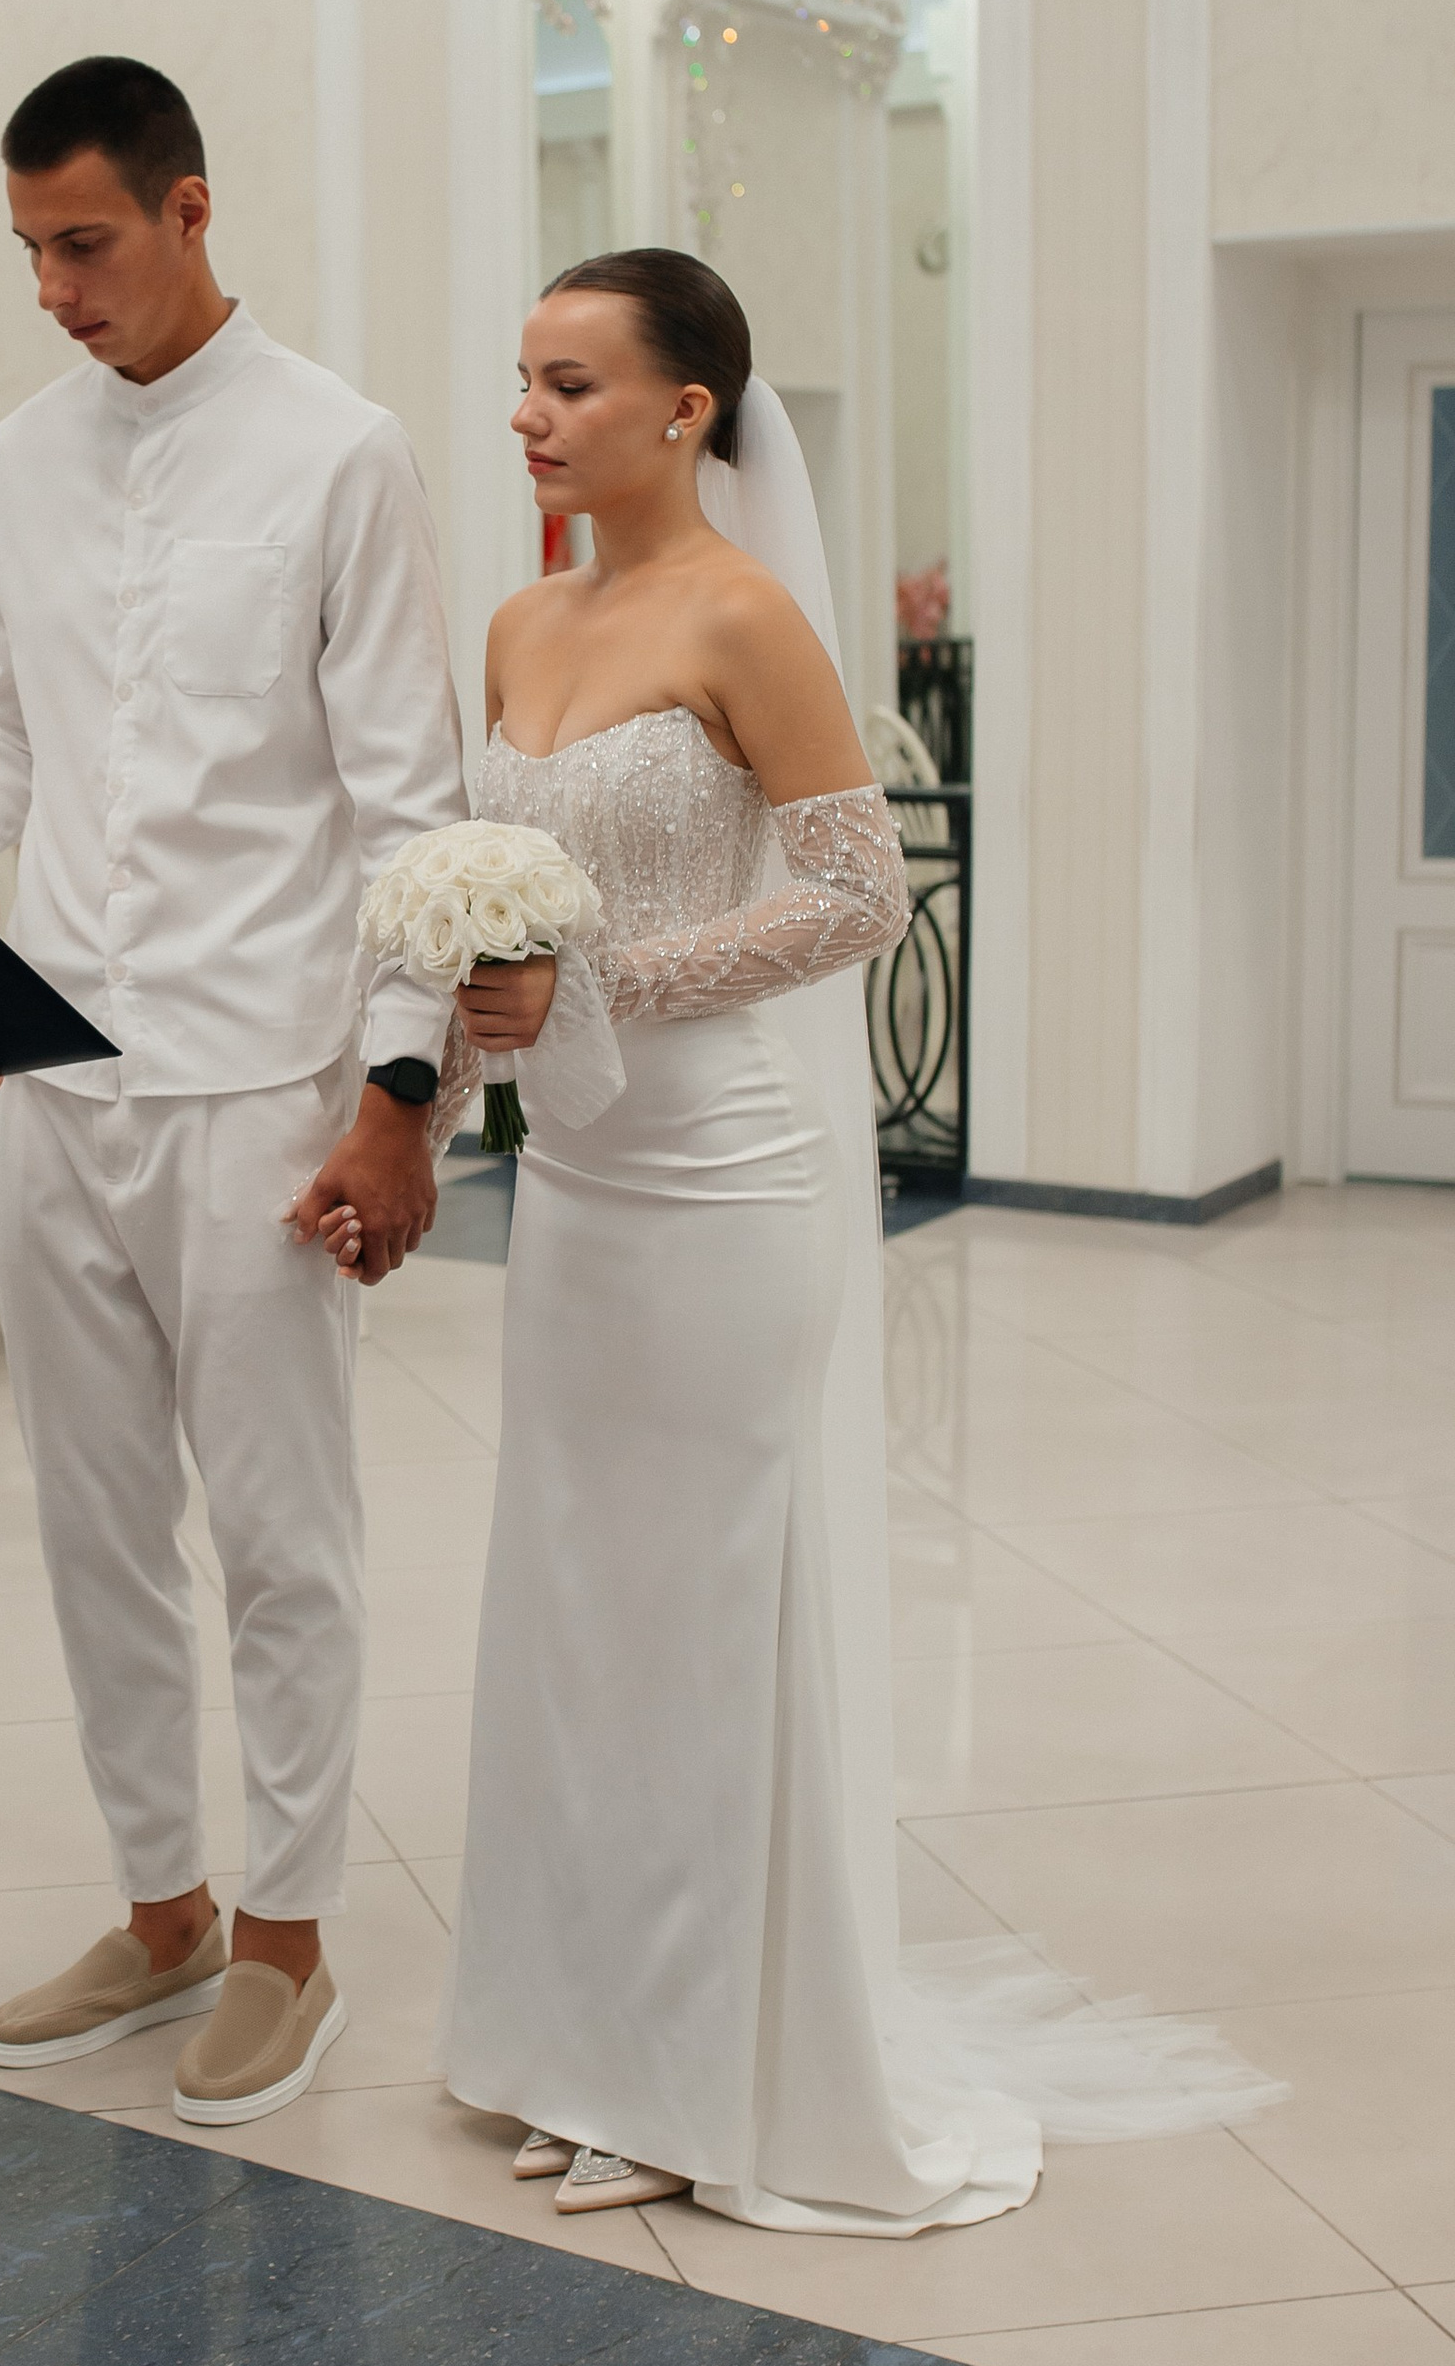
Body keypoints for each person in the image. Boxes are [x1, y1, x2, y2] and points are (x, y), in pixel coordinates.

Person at [348, 251, 1275, 2231]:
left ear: (684, 412)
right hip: (582, 1179)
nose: (525, 414)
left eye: (568, 383)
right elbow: (473, 883)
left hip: (729, 1168)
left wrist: (593, 971)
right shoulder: (515, 620)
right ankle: (571, 2036)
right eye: (517, 380)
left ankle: (702, 2069)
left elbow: (856, 895)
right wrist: (463, 1005)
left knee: (702, 1612)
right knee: (578, 1604)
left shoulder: (747, 617)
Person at [0, 58, 467, 2124]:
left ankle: (293, 1941)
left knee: (282, 1535)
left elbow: (412, 804)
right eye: (29, 252)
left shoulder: (341, 455)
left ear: (189, 208)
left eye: (85, 244)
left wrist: (396, 1091)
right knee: (88, 1522)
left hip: (256, 1081)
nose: (53, 290)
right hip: (53, 1072)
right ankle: (161, 1908)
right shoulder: (12, 461)